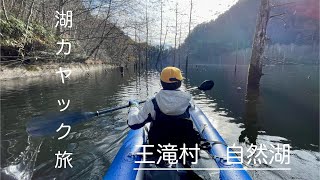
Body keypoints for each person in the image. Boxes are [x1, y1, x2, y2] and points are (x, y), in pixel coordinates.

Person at [127, 66, 203, 159]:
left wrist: (134, 107)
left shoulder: (152, 102)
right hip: (183, 149)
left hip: (159, 150)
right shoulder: (189, 100)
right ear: (180, 83)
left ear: (161, 82)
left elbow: (133, 123)